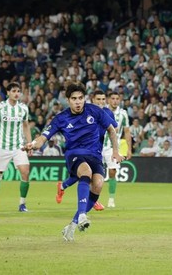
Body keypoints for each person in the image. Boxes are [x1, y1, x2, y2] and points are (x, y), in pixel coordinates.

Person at [23, 82, 122, 242]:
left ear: (84, 98)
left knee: (97, 185)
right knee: (86, 173)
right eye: (74, 98)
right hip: (74, 154)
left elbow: (111, 129)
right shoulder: (61, 118)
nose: (78, 102)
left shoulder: (95, 111)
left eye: (80, 98)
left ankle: (72, 226)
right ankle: (82, 215)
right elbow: (43, 137)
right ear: (68, 100)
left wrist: (116, 152)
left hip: (95, 155)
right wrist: (33, 145)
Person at [56, 89, 112, 212]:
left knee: (86, 175)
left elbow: (113, 128)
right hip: (82, 149)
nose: (101, 102)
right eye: (98, 99)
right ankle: (87, 207)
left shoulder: (106, 113)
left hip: (97, 149)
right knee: (86, 173)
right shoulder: (86, 112)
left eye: (103, 99)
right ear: (92, 100)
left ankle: (63, 186)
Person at [0, 82, 32, 212]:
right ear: (7, 92)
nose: (16, 93)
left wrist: (29, 144)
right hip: (2, 147)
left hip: (19, 147)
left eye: (18, 91)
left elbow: (26, 126)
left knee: (25, 173)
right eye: (13, 91)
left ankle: (22, 204)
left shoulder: (23, 108)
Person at [103, 91, 132, 208]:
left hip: (113, 147)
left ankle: (111, 198)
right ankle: (93, 198)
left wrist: (129, 149)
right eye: (113, 98)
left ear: (119, 100)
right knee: (94, 173)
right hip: (99, 145)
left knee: (112, 171)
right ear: (109, 100)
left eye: (117, 99)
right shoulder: (102, 111)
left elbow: (127, 131)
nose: (115, 101)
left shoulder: (123, 114)